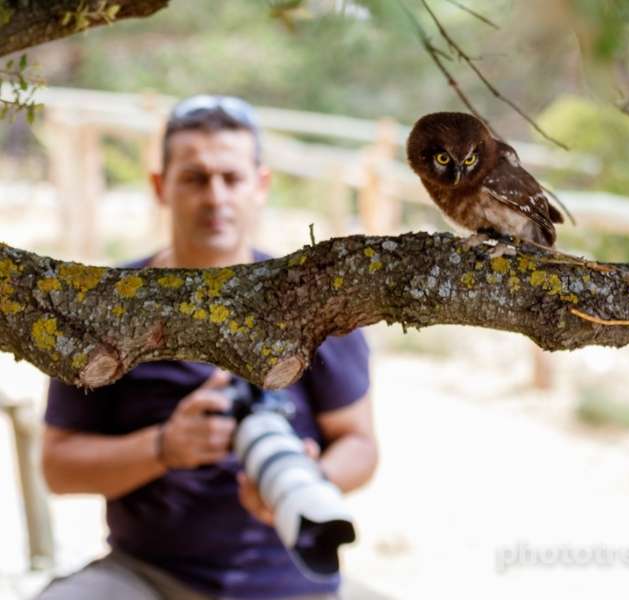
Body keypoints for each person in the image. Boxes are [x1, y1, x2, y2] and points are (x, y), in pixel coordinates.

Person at [38, 95, 378, 600]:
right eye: (195, 178)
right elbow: (58, 468)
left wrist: (310, 479)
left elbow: (361, 445)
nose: (215, 197)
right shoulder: (102, 305)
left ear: (260, 186)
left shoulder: (316, 302)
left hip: (291, 580)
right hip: (144, 575)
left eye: (231, 178)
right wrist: (162, 448)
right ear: (160, 186)